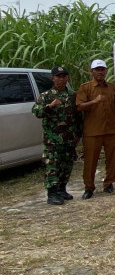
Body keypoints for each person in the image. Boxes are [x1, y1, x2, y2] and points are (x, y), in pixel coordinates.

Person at [76, 59, 115, 199]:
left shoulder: (111, 87)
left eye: (102, 69)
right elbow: (79, 107)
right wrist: (94, 101)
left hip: (110, 129)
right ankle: (89, 187)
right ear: (92, 71)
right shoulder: (85, 87)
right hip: (93, 131)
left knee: (112, 158)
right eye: (97, 69)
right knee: (91, 160)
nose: (100, 72)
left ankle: (109, 183)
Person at [31, 66, 83, 205]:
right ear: (53, 78)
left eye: (64, 76)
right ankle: (52, 193)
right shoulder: (46, 95)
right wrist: (49, 106)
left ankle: (62, 188)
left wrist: (78, 133)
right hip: (53, 138)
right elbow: (36, 112)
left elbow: (77, 116)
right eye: (59, 76)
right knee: (53, 165)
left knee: (67, 164)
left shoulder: (72, 95)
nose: (62, 79)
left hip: (69, 138)